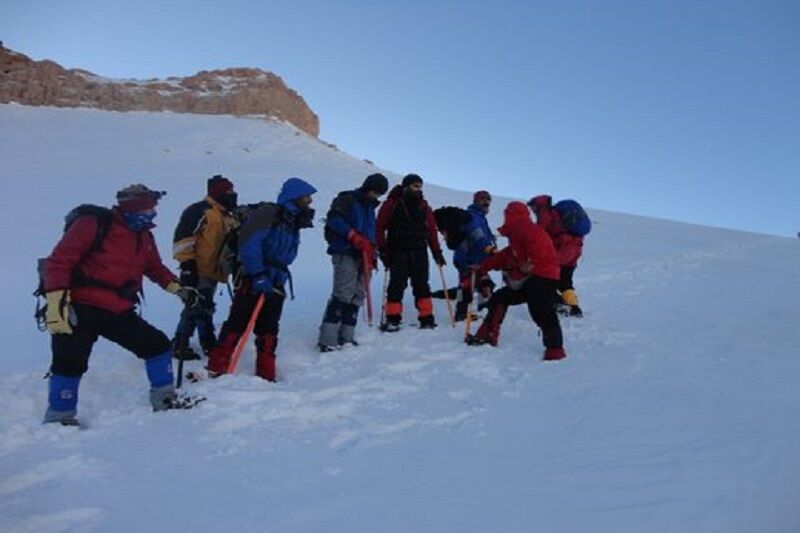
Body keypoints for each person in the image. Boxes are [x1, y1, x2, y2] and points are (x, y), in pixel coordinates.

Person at [41, 185, 201, 426]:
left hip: (117, 309)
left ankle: (165, 400)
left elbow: (154, 268)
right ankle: (59, 418)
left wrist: (177, 288)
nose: (151, 214)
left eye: (152, 209)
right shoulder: (92, 224)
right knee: (69, 362)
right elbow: (58, 262)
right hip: (79, 306)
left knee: (156, 345)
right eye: (146, 209)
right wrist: (56, 303)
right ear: (130, 208)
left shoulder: (144, 235)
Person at [206, 177, 317, 381]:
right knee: (238, 322)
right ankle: (217, 366)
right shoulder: (268, 214)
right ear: (294, 197)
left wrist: (276, 277)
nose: (310, 202)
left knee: (269, 327)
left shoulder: (293, 221)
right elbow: (249, 244)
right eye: (306, 197)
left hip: (276, 279)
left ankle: (266, 373)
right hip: (253, 276)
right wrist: (258, 274)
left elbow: (287, 254)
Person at [466, 201, 566, 361]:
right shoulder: (517, 236)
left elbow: (540, 248)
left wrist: (532, 262)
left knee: (541, 311)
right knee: (500, 297)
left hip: (543, 277)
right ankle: (487, 335)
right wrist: (482, 267)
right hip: (529, 279)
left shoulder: (529, 230)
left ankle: (555, 350)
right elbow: (505, 256)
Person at [318, 173, 389, 351]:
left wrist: (373, 254)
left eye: (379, 193)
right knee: (343, 294)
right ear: (367, 187)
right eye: (374, 191)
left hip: (365, 256)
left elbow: (371, 234)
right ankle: (327, 339)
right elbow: (334, 219)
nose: (376, 195)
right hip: (346, 252)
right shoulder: (347, 199)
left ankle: (346, 336)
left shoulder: (370, 209)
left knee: (358, 296)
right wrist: (353, 236)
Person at [171, 175, 239, 360]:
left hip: (214, 269)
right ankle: (184, 343)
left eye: (232, 191)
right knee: (197, 306)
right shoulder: (199, 211)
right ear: (217, 193)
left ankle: (199, 341)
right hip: (198, 267)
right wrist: (187, 266)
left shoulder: (226, 215)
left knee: (203, 305)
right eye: (228, 192)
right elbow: (183, 239)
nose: (232, 195)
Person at [376, 173, 445, 331]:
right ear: (406, 186)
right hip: (398, 250)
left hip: (419, 251)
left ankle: (426, 318)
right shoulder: (392, 203)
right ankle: (393, 319)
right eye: (415, 186)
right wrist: (383, 250)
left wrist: (436, 252)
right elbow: (379, 227)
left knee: (421, 285)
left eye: (420, 186)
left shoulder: (424, 206)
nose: (418, 189)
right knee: (396, 285)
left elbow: (431, 231)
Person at [527, 195, 585, 317]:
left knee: (545, 278)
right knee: (565, 281)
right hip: (574, 251)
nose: (532, 210)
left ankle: (559, 303)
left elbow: (539, 233)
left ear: (537, 205)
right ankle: (574, 307)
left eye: (532, 207)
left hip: (560, 250)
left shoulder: (545, 214)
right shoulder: (559, 214)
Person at [452, 190, 497, 321]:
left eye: (488, 199)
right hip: (468, 258)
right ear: (476, 201)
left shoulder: (480, 217)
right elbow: (476, 234)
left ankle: (481, 309)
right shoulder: (472, 215)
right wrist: (487, 247)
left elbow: (483, 236)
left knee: (482, 283)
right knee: (467, 285)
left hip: (475, 258)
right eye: (483, 199)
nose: (487, 202)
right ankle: (463, 313)